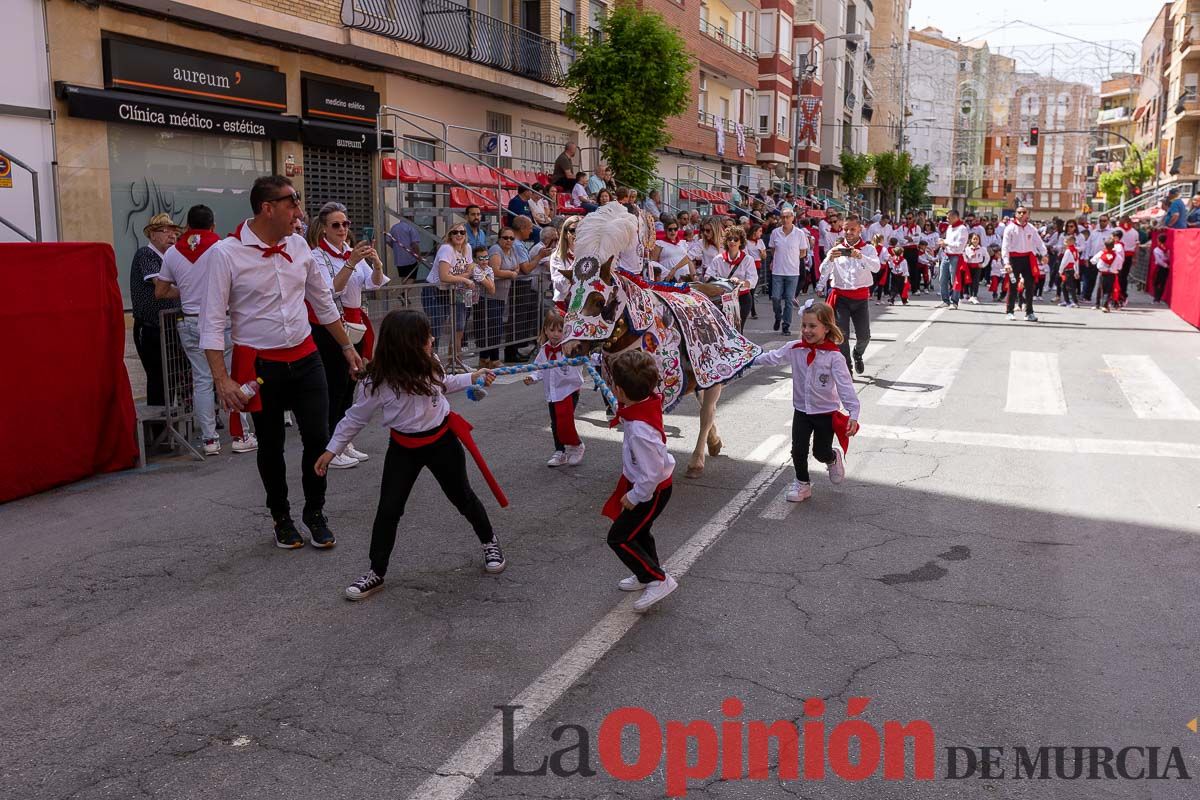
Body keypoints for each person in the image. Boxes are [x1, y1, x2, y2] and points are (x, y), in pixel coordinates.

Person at [202, 175, 363, 550]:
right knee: (271, 446)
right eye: (293, 202)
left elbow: (323, 302)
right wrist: (222, 380)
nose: (300, 212)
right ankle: (281, 517)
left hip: (307, 357)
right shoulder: (226, 253)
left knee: (319, 437)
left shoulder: (299, 248)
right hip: (260, 366)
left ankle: (315, 512)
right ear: (267, 208)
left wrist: (346, 348)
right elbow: (211, 323)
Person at [321, 310, 507, 601]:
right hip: (403, 448)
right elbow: (354, 418)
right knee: (388, 509)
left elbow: (446, 383)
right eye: (426, 336)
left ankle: (489, 541)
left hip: (441, 441)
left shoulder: (430, 364)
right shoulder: (376, 382)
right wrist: (332, 449)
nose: (432, 339)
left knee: (462, 496)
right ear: (407, 344)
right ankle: (376, 571)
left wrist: (474, 376)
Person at [155, 204, 255, 456]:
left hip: (189, 321)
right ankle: (240, 434)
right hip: (221, 320)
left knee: (201, 380)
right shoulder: (223, 248)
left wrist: (187, 291)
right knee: (232, 376)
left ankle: (210, 440)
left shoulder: (172, 253)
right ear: (213, 226)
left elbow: (161, 291)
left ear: (187, 227)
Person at [753, 300, 860, 504]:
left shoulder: (834, 357)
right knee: (798, 450)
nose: (807, 330)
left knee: (820, 452)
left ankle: (831, 457)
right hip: (801, 410)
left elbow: (845, 387)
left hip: (825, 412)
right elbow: (772, 358)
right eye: (804, 325)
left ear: (826, 328)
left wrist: (853, 413)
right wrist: (748, 360)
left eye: (812, 326)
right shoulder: (795, 348)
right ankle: (803, 484)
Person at [602, 350, 678, 612]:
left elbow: (653, 472)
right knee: (640, 532)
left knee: (619, 537)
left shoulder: (641, 432)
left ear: (621, 391)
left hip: (651, 490)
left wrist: (635, 496)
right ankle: (648, 572)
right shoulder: (642, 405)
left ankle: (658, 579)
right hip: (651, 487)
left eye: (613, 385)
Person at [308, 201, 382, 469]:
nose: (342, 229)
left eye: (345, 224)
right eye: (336, 225)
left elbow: (373, 284)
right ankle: (330, 445)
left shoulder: (351, 252)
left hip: (355, 322)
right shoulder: (317, 256)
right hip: (332, 326)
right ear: (324, 229)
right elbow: (329, 292)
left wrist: (376, 264)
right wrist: (351, 262)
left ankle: (343, 441)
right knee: (335, 386)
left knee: (352, 384)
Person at [816, 215, 878, 375]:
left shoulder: (868, 249)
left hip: (860, 298)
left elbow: (876, 268)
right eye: (846, 229)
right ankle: (846, 367)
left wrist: (860, 256)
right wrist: (829, 259)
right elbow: (823, 271)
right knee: (841, 335)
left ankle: (857, 354)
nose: (849, 232)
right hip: (841, 297)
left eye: (852, 229)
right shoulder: (835, 249)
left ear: (860, 230)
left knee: (864, 335)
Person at [130, 213, 181, 406]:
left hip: (170, 327)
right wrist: (190, 290)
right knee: (159, 381)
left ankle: (169, 423)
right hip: (151, 328)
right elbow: (162, 287)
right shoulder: (146, 254)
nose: (172, 236)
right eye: (165, 231)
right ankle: (159, 431)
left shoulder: (171, 258)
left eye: (174, 232)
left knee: (171, 379)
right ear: (152, 235)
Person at [523, 310, 586, 467]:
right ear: (545, 330)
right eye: (552, 330)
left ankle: (576, 445)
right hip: (552, 392)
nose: (556, 334)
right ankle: (560, 451)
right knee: (555, 423)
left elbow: (581, 361)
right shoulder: (544, 350)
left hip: (568, 390)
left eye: (560, 330)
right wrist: (533, 377)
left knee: (565, 420)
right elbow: (538, 367)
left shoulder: (571, 348)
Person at [433, 222, 478, 371]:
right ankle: (431, 365)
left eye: (462, 232)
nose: (459, 235)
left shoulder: (468, 248)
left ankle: (456, 361)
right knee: (435, 330)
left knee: (459, 327)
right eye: (455, 232)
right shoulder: (446, 249)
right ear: (449, 235)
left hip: (459, 291)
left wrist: (462, 276)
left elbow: (471, 267)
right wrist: (464, 278)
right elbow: (444, 276)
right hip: (439, 292)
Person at [483, 225, 527, 366]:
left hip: (503, 295)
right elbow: (495, 271)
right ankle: (493, 358)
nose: (508, 240)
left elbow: (518, 266)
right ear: (499, 238)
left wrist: (510, 271)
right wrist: (510, 273)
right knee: (494, 326)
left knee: (496, 326)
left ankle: (487, 358)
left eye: (511, 238)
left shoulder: (512, 249)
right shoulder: (496, 250)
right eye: (505, 238)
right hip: (491, 295)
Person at [705, 225, 757, 332]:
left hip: (742, 298)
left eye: (736, 239)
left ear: (741, 242)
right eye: (729, 239)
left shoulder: (748, 260)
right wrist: (722, 281)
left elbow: (753, 280)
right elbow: (707, 277)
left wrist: (740, 283)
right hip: (722, 299)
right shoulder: (718, 259)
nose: (732, 242)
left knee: (738, 330)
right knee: (723, 330)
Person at [1001, 206, 1047, 322]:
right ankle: (1010, 311)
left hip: (1028, 259)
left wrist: (1044, 254)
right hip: (1014, 259)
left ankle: (1029, 312)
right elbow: (1005, 246)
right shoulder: (1009, 228)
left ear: (1028, 214)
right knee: (1012, 285)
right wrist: (1006, 262)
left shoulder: (1031, 228)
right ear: (1015, 214)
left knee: (1030, 286)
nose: (1021, 214)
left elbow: (1039, 242)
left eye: (1024, 212)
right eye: (1019, 212)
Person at [767, 208, 809, 334]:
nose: (785, 219)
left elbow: (803, 252)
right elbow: (773, 249)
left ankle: (786, 325)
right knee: (775, 297)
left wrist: (792, 259)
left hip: (792, 272)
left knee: (789, 300)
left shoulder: (799, 233)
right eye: (783, 217)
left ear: (792, 218)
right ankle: (777, 315)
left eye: (787, 217)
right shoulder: (775, 232)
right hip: (777, 271)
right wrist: (776, 260)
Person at [939, 210, 968, 308]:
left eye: (949, 218)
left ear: (955, 217)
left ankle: (954, 301)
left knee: (954, 280)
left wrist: (946, 243)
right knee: (942, 278)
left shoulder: (962, 229)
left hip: (956, 256)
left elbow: (960, 245)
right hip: (946, 254)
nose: (947, 220)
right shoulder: (950, 227)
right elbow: (949, 240)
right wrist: (943, 242)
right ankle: (945, 300)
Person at [550, 216, 579, 311]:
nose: (577, 234)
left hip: (583, 306)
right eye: (573, 230)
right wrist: (577, 261)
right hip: (564, 305)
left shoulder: (589, 256)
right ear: (566, 234)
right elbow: (561, 287)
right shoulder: (556, 257)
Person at [951, 232, 984, 310]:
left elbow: (986, 257)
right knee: (965, 281)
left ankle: (974, 296)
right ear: (970, 240)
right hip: (966, 266)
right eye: (974, 239)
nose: (975, 241)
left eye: (977, 239)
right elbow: (964, 256)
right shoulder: (967, 248)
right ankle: (963, 295)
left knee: (975, 281)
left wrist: (983, 264)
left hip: (976, 266)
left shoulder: (982, 249)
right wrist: (969, 256)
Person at [386, 215, 422, 281]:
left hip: (399, 259)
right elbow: (414, 244)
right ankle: (405, 291)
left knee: (403, 277)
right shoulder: (411, 227)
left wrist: (396, 248)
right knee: (412, 278)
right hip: (410, 258)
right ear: (410, 217)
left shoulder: (394, 227)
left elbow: (388, 241)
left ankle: (404, 291)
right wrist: (418, 256)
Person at [1091, 236, 1123, 312]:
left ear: (1105, 246)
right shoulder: (1117, 256)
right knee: (1108, 291)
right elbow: (1120, 266)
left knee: (1099, 289)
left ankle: (1097, 304)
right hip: (1111, 275)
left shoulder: (1101, 253)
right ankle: (1105, 306)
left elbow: (1093, 261)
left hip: (1102, 274)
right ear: (1113, 246)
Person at [1058, 234, 1081, 308]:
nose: (1064, 242)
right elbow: (1077, 261)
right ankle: (1066, 300)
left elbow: (1064, 262)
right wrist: (1077, 271)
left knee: (1070, 286)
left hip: (1067, 270)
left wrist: (1060, 270)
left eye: (1066, 241)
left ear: (1071, 242)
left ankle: (1075, 302)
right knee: (1064, 286)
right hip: (1072, 270)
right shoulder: (1076, 250)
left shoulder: (1068, 251)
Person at [1151, 231, 1170, 303]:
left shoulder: (1156, 250)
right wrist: (1167, 265)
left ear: (1158, 240)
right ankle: (1158, 298)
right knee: (1162, 283)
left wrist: (1165, 265)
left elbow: (1158, 261)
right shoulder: (1167, 249)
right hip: (1165, 268)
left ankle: (1156, 298)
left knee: (1156, 283)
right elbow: (1168, 258)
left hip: (1159, 267)